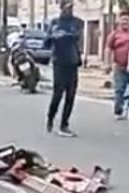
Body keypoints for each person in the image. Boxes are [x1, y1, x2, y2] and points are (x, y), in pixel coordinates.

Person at [44, 0, 84, 136]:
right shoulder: (54, 23)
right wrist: (54, 36)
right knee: (57, 94)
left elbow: (76, 36)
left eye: (71, 7)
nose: (69, 9)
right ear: (61, 8)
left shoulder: (77, 22)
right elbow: (47, 42)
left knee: (71, 95)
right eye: (67, 7)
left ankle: (64, 124)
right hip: (59, 61)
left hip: (72, 61)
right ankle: (50, 117)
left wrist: (61, 35)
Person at [105, 13, 129, 120]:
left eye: (127, 20)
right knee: (119, 89)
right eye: (122, 20)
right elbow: (108, 49)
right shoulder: (114, 34)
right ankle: (118, 111)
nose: (125, 22)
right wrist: (107, 64)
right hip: (119, 66)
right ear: (119, 21)